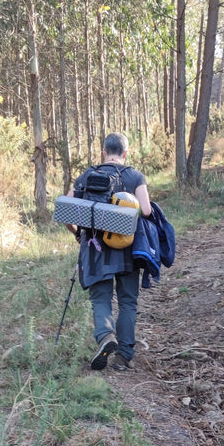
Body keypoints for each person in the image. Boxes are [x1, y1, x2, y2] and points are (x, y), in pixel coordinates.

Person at [65, 132, 151, 371]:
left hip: (95, 249)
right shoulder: (135, 175)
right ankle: (123, 356)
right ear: (125, 153)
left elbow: (67, 209)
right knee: (127, 302)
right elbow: (145, 210)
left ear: (104, 151)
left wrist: (77, 233)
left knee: (100, 297)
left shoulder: (86, 176)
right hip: (127, 249)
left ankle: (105, 336)